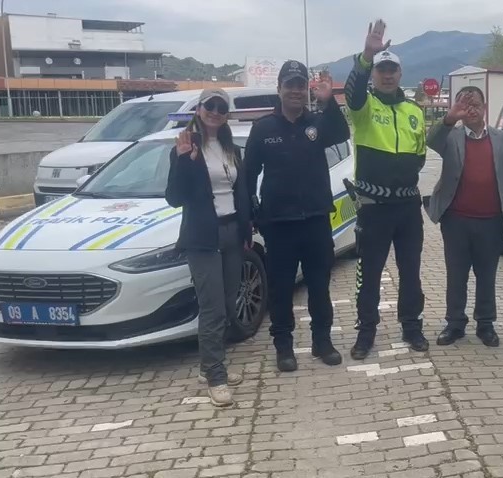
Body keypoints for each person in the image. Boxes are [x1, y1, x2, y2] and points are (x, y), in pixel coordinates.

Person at [245, 60, 350, 372]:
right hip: (279, 225)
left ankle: (322, 342)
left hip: (316, 220)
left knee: (320, 286)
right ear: (279, 89)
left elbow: (342, 132)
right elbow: (249, 176)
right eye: (289, 84)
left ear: (306, 89)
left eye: (300, 85)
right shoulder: (263, 129)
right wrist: (252, 216)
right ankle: (284, 346)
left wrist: (328, 99)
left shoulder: (316, 123)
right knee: (281, 290)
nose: (295, 90)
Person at [345, 19, 428, 360]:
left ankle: (411, 326)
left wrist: (402, 179)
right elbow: (351, 91)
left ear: (400, 74)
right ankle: (366, 332)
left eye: (392, 70)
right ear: (375, 74)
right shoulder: (363, 107)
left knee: (411, 271)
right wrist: (367, 54)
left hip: (408, 208)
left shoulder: (414, 111)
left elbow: (421, 155)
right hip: (371, 206)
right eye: (382, 70)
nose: (388, 75)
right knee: (370, 272)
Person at [165, 88, 251, 407]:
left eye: (221, 107)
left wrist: (246, 227)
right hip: (202, 237)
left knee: (228, 302)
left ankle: (209, 364)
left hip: (232, 231)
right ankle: (215, 375)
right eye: (210, 105)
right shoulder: (187, 147)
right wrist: (184, 162)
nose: (216, 111)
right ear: (199, 110)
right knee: (212, 307)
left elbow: (242, 192)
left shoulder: (231, 149)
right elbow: (174, 198)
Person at [425, 86, 503, 348]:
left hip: (490, 221)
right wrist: (450, 117)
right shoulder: (451, 137)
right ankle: (454, 324)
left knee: (487, 275)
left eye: (475, 104)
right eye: (465, 105)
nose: (471, 109)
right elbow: (431, 141)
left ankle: (486, 325)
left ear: (485, 107)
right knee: (457, 275)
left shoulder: (502, 139)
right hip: (456, 221)